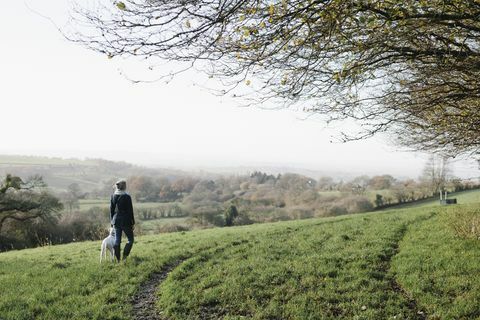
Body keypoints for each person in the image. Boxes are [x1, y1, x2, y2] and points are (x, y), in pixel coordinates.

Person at [110, 179, 135, 262]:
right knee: (130, 240)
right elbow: (130, 210)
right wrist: (133, 222)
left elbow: (111, 210)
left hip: (116, 221)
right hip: (126, 221)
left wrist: (111, 221)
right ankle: (124, 258)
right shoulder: (127, 197)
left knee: (117, 241)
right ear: (124, 187)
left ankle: (118, 260)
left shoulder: (113, 196)